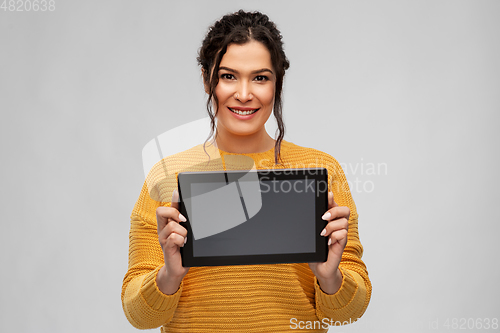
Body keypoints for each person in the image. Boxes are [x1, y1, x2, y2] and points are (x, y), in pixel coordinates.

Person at [122, 10, 371, 332]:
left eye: (260, 77)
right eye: (228, 76)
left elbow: (346, 314)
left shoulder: (321, 170)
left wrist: (330, 276)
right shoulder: (167, 174)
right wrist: (169, 275)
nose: (244, 93)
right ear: (206, 78)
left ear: (277, 82)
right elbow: (140, 318)